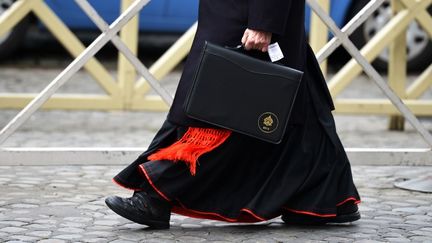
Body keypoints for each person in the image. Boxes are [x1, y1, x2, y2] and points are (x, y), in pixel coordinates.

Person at [105, 0, 361, 229]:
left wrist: (264, 20)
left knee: (219, 105)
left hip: (247, 13)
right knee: (283, 102)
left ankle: (156, 197)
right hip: (233, 10)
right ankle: (325, 196)